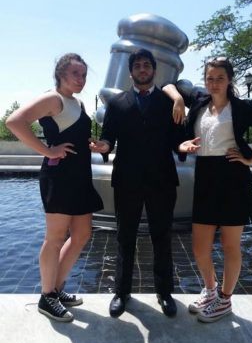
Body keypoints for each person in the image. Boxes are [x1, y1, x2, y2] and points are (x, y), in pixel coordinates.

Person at [90, 48, 199, 318]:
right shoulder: (117, 103)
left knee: (162, 237)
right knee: (124, 237)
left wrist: (183, 145)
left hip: (161, 180)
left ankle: (164, 293)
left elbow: (179, 138)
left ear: (153, 70)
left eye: (146, 65)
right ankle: (121, 292)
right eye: (137, 65)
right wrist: (102, 145)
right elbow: (108, 138)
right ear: (131, 71)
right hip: (127, 181)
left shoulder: (167, 102)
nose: (142, 69)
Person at [162, 57, 252, 323]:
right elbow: (167, 84)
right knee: (199, 246)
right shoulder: (198, 103)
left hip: (234, 177)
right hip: (206, 176)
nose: (214, 83)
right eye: (210, 78)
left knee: (230, 245)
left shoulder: (242, 108)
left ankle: (225, 299)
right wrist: (177, 99)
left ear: (230, 79)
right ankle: (210, 290)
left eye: (220, 78)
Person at [6, 53, 103, 322]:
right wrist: (47, 150)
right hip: (59, 177)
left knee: (82, 234)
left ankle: (56, 289)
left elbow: (72, 135)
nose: (81, 79)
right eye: (75, 74)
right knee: (55, 237)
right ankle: (47, 296)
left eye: (83, 75)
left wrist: (90, 144)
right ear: (61, 75)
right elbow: (14, 121)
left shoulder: (78, 102)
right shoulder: (53, 98)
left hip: (80, 177)